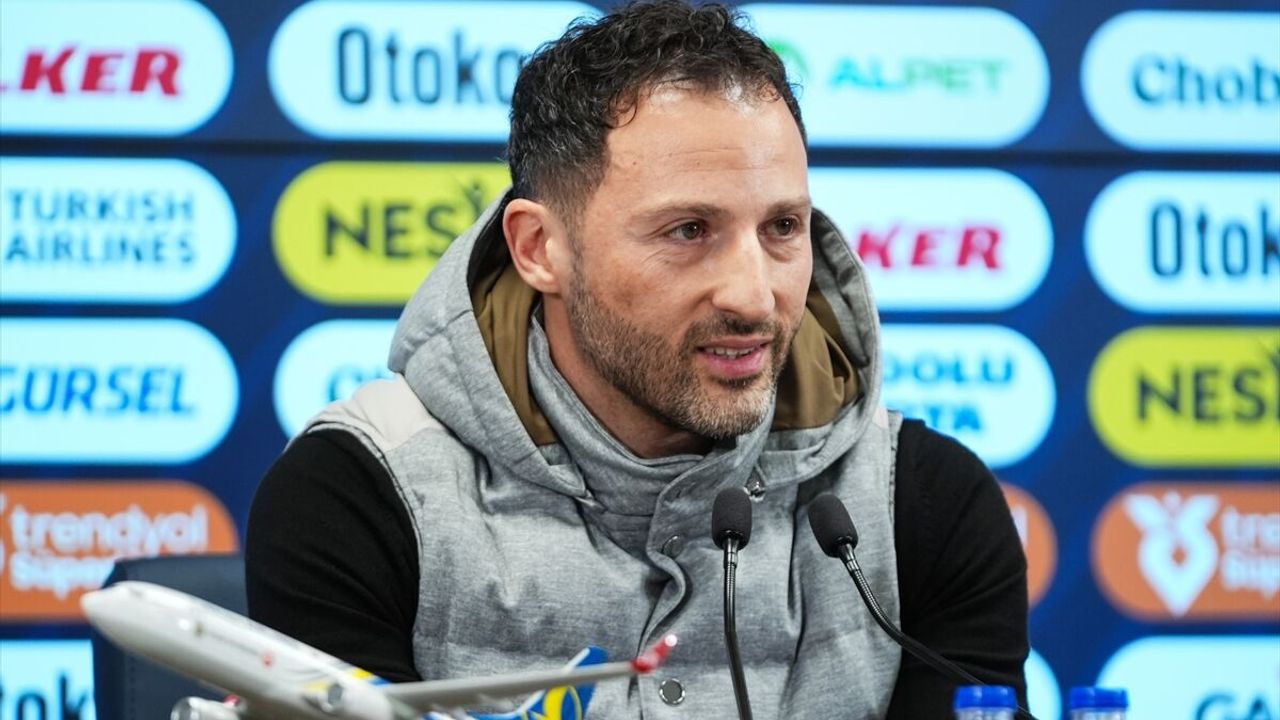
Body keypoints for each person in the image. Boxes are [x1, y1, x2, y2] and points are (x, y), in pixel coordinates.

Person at [246, 2, 1029, 717]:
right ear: (539, 248)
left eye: (783, 228)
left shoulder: (923, 504)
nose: (754, 296)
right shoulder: (358, 494)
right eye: (688, 231)